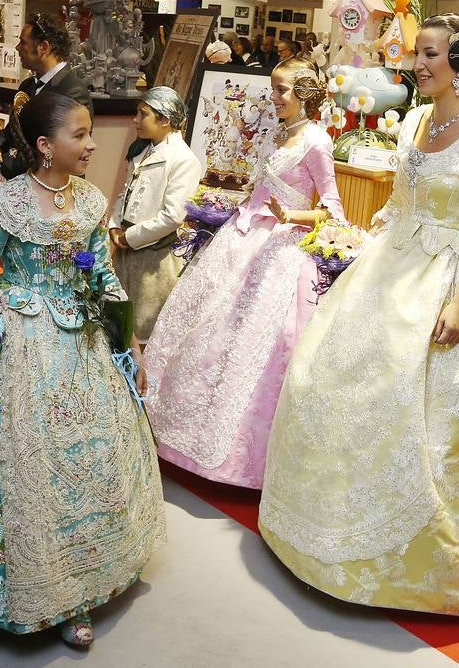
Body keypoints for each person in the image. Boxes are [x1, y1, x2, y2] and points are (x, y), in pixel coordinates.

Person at [259, 11, 459, 614]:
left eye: (431, 54)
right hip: (390, 267)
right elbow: (400, 203)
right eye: (418, 54)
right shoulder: (412, 120)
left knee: (436, 415)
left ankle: (442, 568)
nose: (419, 65)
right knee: (332, 383)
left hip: (448, 280)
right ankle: (325, 535)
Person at [0, 92, 166, 647]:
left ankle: (79, 590)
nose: (93, 144)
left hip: (80, 345)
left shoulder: (92, 202)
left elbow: (103, 279)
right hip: (10, 339)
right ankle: (9, 590)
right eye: (81, 134)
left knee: (85, 463)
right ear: (45, 147)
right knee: (16, 467)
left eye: (92, 133)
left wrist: (131, 345)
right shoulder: (6, 204)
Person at [144, 57, 345, 488]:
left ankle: (236, 457)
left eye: (283, 91)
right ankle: (179, 430)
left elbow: (333, 211)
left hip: (279, 248)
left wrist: (288, 213)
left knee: (251, 341)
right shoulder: (279, 134)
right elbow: (260, 189)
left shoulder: (317, 142)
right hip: (243, 234)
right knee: (204, 326)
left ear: (306, 94)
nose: (275, 98)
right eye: (274, 89)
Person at [108, 86, 202, 341]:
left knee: (142, 331)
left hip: (154, 260)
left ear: (164, 120)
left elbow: (173, 216)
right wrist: (115, 225)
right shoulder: (141, 151)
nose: (135, 120)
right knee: (116, 324)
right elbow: (124, 193)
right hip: (126, 252)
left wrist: (131, 237)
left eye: (143, 114)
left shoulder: (183, 160)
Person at [0, 12, 92, 179]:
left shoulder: (72, 91)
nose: (17, 48)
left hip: (53, 188)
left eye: (22, 43)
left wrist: (9, 164)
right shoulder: (28, 85)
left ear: (43, 48)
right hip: (22, 185)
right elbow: (14, 128)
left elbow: (62, 150)